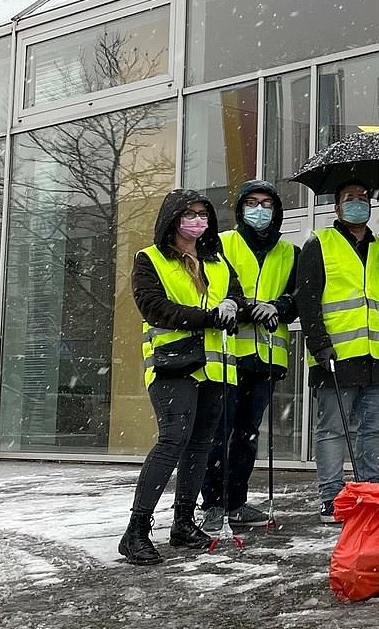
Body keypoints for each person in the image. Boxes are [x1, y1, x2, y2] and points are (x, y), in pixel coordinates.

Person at [120, 190, 248, 565]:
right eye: (188, 214)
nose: (197, 221)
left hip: (216, 366)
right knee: (173, 439)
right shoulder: (150, 259)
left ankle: (183, 522)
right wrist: (209, 315)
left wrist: (232, 305)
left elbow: (236, 298)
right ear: (172, 219)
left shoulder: (217, 259)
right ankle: (137, 529)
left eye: (202, 214)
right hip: (173, 364)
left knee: (200, 444)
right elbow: (155, 308)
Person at [297, 181, 379, 523]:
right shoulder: (320, 244)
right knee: (332, 430)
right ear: (337, 208)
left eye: (363, 197)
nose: (358, 203)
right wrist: (319, 345)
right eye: (349, 199)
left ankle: (371, 487)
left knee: (374, 429)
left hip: (378, 356)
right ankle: (331, 496)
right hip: (336, 357)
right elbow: (307, 302)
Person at [200, 181, 299, 531]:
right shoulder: (223, 244)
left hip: (268, 355)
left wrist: (278, 306)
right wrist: (246, 307)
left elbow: (298, 297)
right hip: (228, 353)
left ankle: (237, 502)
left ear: (276, 211)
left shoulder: (289, 252)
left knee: (247, 432)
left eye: (267, 204)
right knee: (218, 430)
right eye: (252, 203)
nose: (260, 210)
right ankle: (211, 502)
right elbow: (216, 290)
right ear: (241, 209)